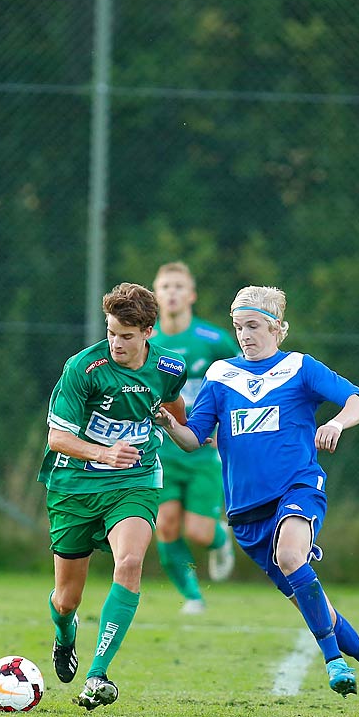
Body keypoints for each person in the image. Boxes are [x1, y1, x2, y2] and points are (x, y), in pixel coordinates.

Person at [153, 286, 359, 706]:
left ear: (277, 328)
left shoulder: (299, 368)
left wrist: (338, 424)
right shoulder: (220, 376)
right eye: (238, 327)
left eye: (252, 326)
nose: (244, 335)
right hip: (247, 513)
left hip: (298, 487)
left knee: (292, 557)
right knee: (314, 604)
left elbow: (356, 401)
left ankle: (332, 661)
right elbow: (193, 437)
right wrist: (168, 422)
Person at [40, 282, 189, 710]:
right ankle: (64, 634)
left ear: (147, 332)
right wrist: (104, 452)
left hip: (135, 480)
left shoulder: (168, 367)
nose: (116, 343)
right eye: (111, 333)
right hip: (75, 486)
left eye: (126, 335)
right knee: (67, 599)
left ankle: (98, 673)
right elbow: (57, 437)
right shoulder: (83, 368)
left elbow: (176, 413)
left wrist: (179, 429)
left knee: (129, 562)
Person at [148, 261, 240, 614]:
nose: (171, 292)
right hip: (162, 451)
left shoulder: (213, 340)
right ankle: (193, 596)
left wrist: (225, 426)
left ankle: (221, 538)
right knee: (166, 527)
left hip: (203, 452)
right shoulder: (147, 341)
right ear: (156, 295)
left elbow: (242, 384)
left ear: (191, 295)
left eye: (178, 286)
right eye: (165, 286)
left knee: (199, 532)